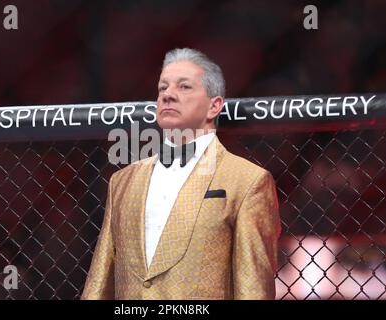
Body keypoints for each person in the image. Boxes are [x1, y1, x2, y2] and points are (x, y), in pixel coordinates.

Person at [81, 48, 281, 300]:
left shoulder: (247, 181)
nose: (168, 95)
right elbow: (100, 280)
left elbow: (253, 290)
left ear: (214, 106)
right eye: (162, 88)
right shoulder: (122, 181)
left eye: (184, 87)